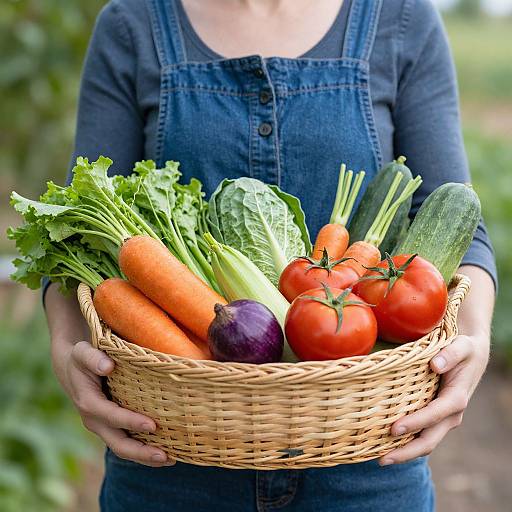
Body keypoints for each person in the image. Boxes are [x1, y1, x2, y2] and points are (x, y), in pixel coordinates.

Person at [45, 0, 496, 510]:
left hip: (367, 461)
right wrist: (66, 350)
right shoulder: (132, 25)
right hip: (172, 458)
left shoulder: (402, 20)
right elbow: (72, 226)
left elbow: (462, 224)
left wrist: (475, 339)